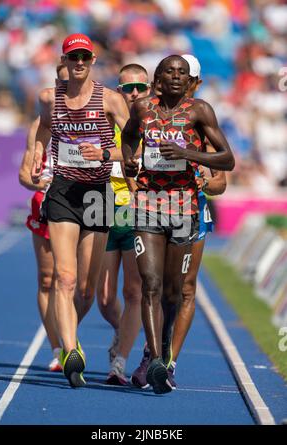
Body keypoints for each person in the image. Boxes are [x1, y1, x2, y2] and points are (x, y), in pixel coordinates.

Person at [122, 54, 234, 394]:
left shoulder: (200, 111)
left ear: (189, 81)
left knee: (174, 291)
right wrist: (129, 161)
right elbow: (128, 136)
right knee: (150, 285)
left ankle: (165, 351)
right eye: (168, 71)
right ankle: (156, 361)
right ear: (158, 77)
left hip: (184, 209)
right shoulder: (142, 108)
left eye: (181, 73)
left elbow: (226, 159)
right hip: (148, 206)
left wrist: (189, 154)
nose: (175, 76)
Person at [31, 33, 129, 388]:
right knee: (64, 278)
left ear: (93, 59)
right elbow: (42, 129)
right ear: (65, 59)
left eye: (85, 57)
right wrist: (35, 154)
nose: (79, 63)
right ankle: (70, 353)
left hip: (98, 194)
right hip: (62, 192)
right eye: (73, 57)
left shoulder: (111, 100)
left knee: (87, 289)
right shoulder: (48, 98)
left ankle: (74, 333)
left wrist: (104, 154)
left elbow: (136, 147)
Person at [96, 64, 151, 386]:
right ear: (118, 91)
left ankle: (120, 362)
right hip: (102, 209)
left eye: (139, 88)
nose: (133, 94)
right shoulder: (106, 121)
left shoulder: (154, 122)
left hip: (136, 211)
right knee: (102, 296)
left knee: (133, 290)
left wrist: (108, 154)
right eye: (127, 88)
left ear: (149, 90)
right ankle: (121, 332)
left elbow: (148, 148)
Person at [19, 64, 69, 372]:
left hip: (82, 205)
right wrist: (41, 181)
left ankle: (114, 336)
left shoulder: (97, 119)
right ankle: (60, 348)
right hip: (46, 203)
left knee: (83, 286)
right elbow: (25, 174)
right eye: (61, 84)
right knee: (49, 278)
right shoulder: (40, 125)